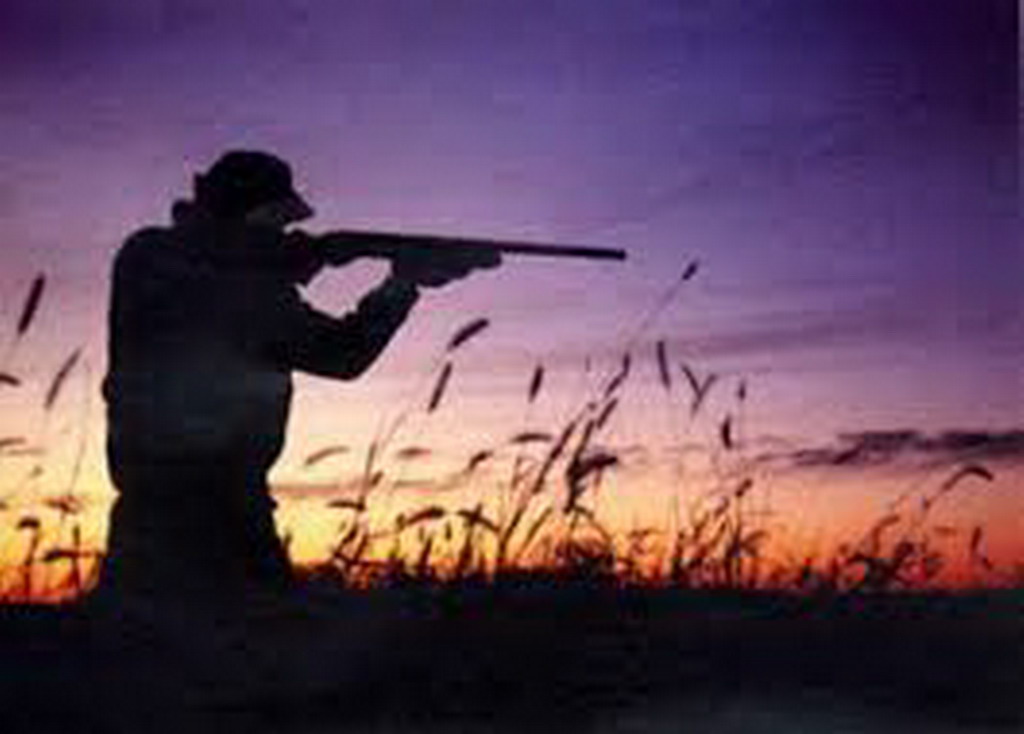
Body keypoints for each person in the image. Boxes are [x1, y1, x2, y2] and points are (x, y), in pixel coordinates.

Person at [97, 150, 499, 600]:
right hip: (221, 520)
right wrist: (396, 283)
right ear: (247, 215)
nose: (287, 232)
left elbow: (239, 269)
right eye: (278, 222)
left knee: (147, 638)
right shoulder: (180, 265)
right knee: (259, 636)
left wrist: (389, 277)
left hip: (160, 514)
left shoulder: (149, 258)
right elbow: (343, 355)